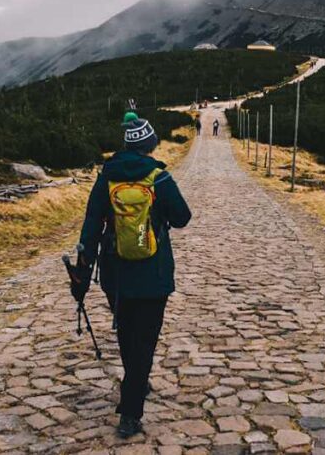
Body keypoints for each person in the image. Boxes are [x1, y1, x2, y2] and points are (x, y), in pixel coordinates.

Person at [69, 111, 192, 438]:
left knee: (127, 332)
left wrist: (81, 273)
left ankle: (135, 380)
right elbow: (182, 218)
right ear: (150, 145)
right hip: (154, 273)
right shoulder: (159, 177)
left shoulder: (106, 177)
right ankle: (131, 411)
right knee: (146, 339)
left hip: (116, 273)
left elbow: (91, 227)